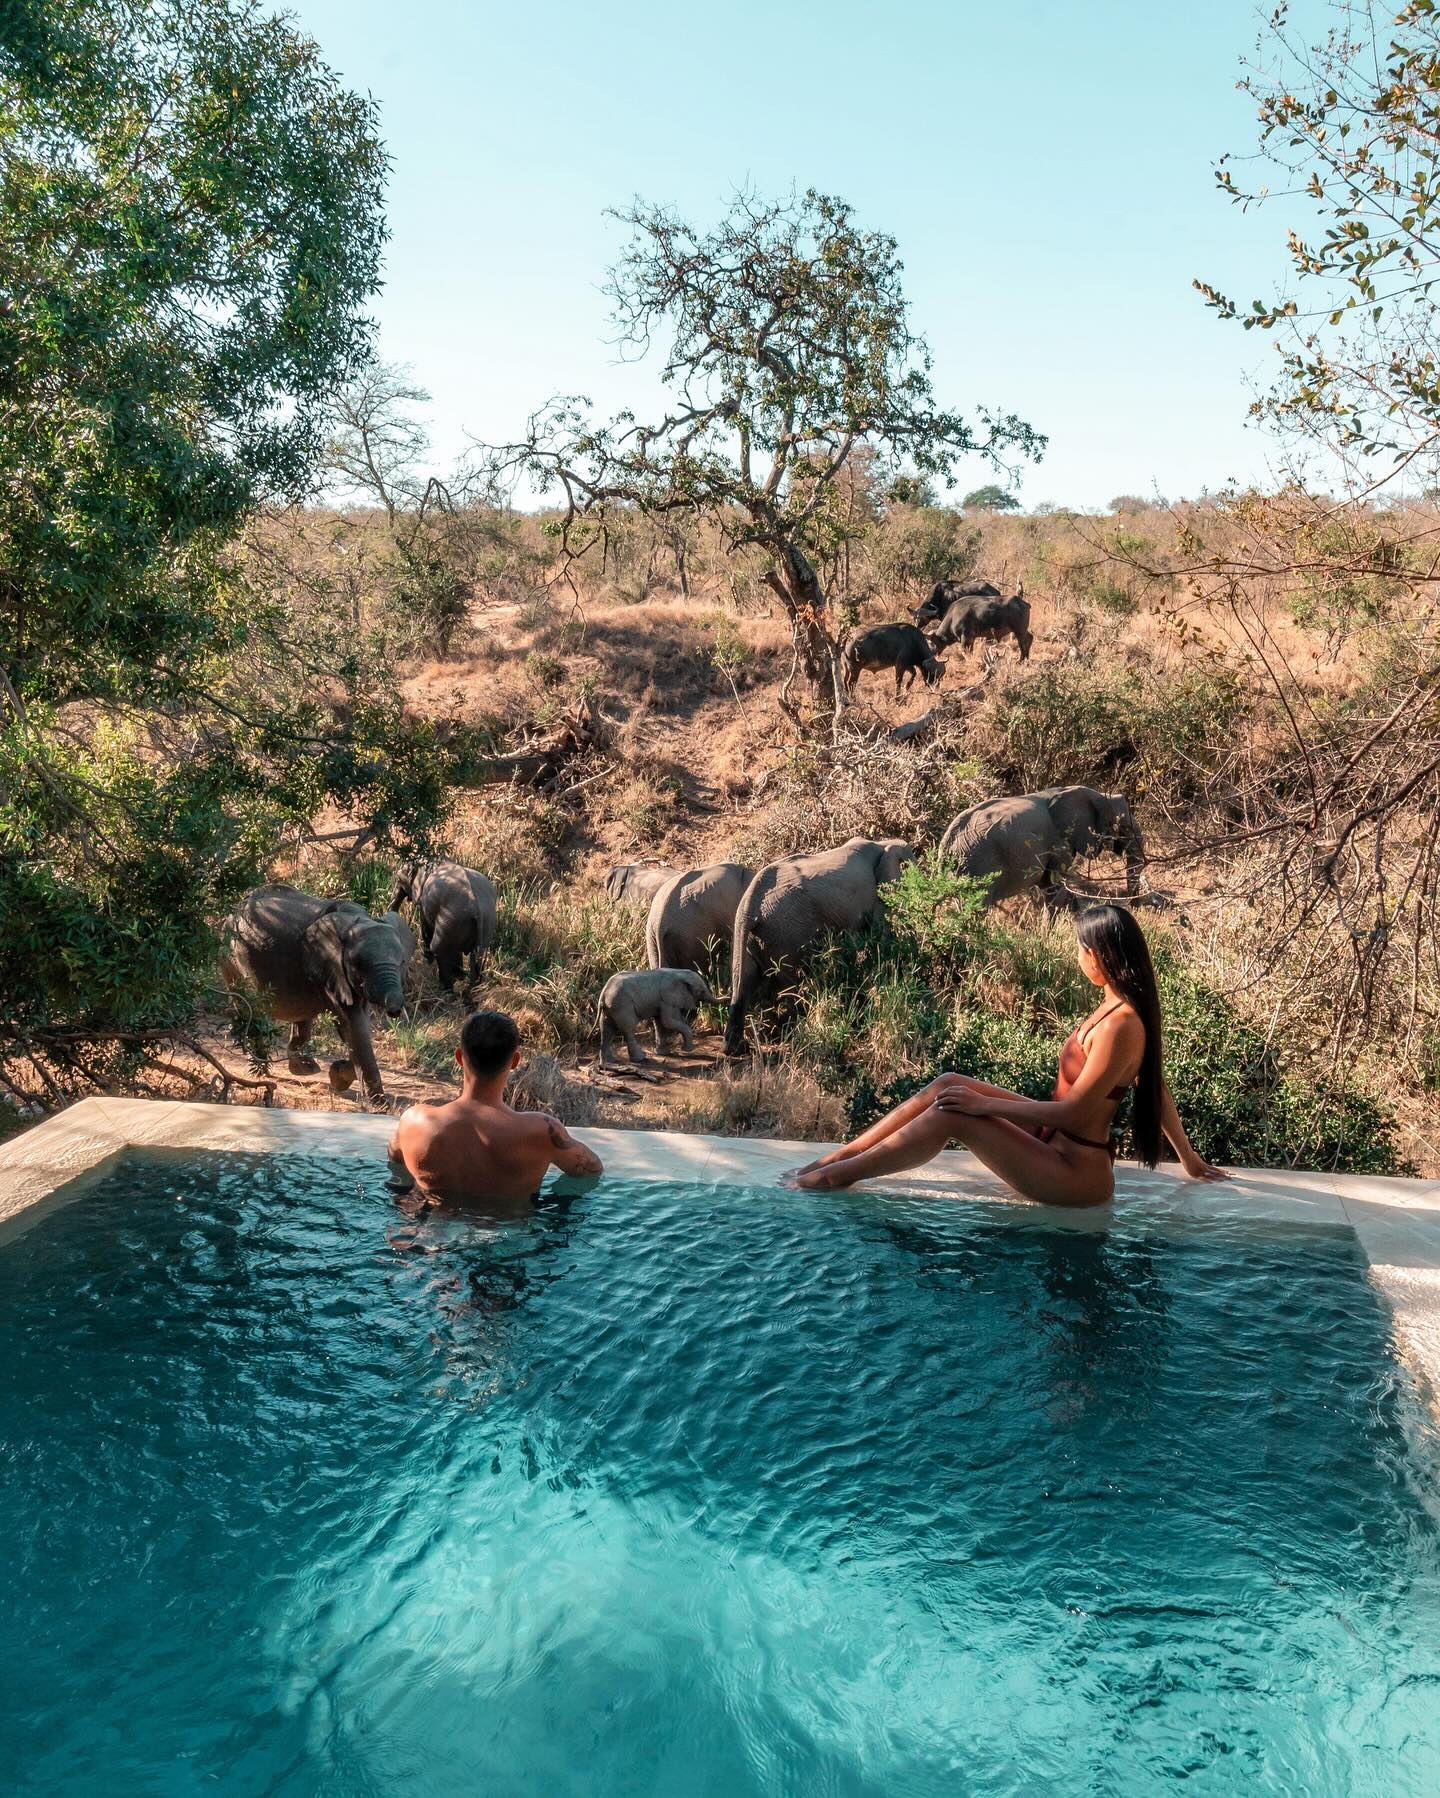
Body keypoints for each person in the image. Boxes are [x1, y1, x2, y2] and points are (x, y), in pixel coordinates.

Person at [783, 904, 1227, 1206]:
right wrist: (1190, 1160)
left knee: (955, 1112)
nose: (1077, 959)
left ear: (1099, 956)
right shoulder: (1114, 1008)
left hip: (1075, 1173)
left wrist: (985, 1106)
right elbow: (1154, 1086)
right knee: (949, 1084)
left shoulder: (1124, 1024)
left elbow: (1074, 1114)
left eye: (1080, 951)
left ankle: (840, 1176)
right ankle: (842, 1157)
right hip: (1056, 1147)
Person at [388, 1010, 603, 1203]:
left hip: (434, 1238)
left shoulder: (413, 1121)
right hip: (514, 1242)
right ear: (514, 1061)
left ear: (459, 1058)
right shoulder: (541, 1131)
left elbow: (396, 1161)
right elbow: (591, 1169)